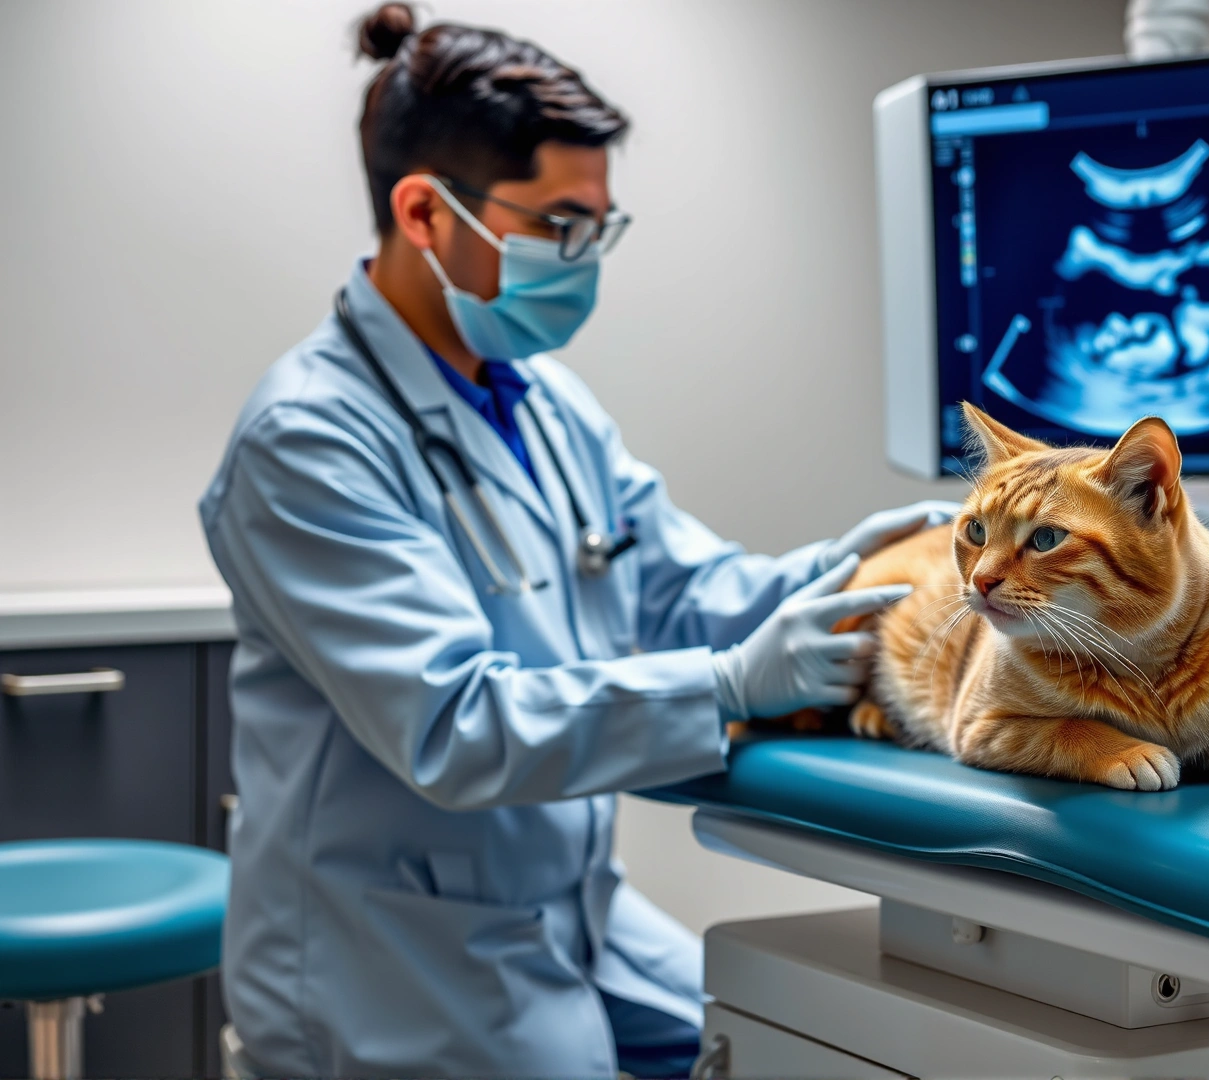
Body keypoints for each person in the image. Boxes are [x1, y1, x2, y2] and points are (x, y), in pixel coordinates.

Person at [197, 6, 954, 1076]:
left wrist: (844, 573)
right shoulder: (308, 440)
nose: (586, 257)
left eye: (601, 226)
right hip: (396, 958)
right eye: (559, 225)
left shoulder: (542, 404)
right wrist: (731, 683)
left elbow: (677, 586)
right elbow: (454, 723)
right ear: (424, 212)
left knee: (779, 1044)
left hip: (567, 911)